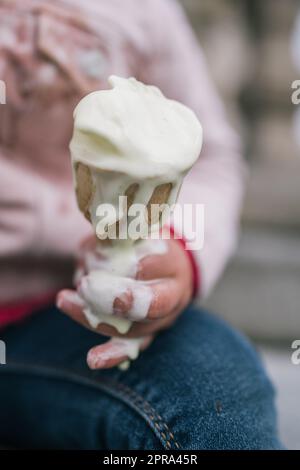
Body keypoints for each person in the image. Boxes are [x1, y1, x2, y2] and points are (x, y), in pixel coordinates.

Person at [0, 0, 281, 449]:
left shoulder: (145, 10)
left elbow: (212, 160)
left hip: (62, 321)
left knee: (215, 398)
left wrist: (180, 253)